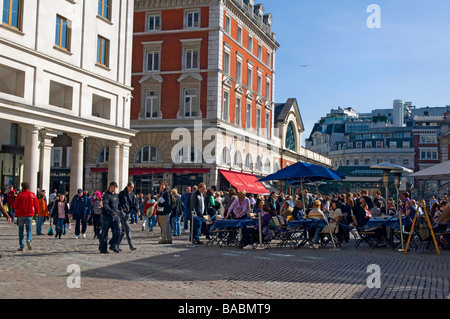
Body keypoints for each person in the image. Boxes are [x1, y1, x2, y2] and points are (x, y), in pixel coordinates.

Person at [14, 182, 39, 251]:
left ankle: (21, 245)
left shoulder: (19, 195)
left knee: (20, 230)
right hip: (29, 214)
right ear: (28, 187)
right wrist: (36, 213)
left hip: (20, 214)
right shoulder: (32, 195)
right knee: (29, 229)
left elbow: (15, 206)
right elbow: (36, 206)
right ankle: (28, 239)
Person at [99, 182, 121, 254]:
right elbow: (105, 205)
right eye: (113, 186)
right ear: (110, 187)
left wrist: (121, 209)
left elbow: (118, 205)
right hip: (107, 217)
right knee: (104, 233)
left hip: (115, 217)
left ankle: (113, 244)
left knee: (118, 231)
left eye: (115, 187)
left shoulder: (116, 196)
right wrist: (111, 212)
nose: (114, 188)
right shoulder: (106, 195)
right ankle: (103, 248)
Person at [118, 182, 139, 251]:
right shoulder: (122, 193)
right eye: (131, 187)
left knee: (123, 231)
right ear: (127, 186)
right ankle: (131, 245)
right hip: (122, 212)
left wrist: (137, 210)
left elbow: (134, 204)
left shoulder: (132, 195)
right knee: (127, 228)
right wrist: (120, 209)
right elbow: (118, 202)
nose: (132, 189)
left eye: (133, 187)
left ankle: (116, 244)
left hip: (128, 212)